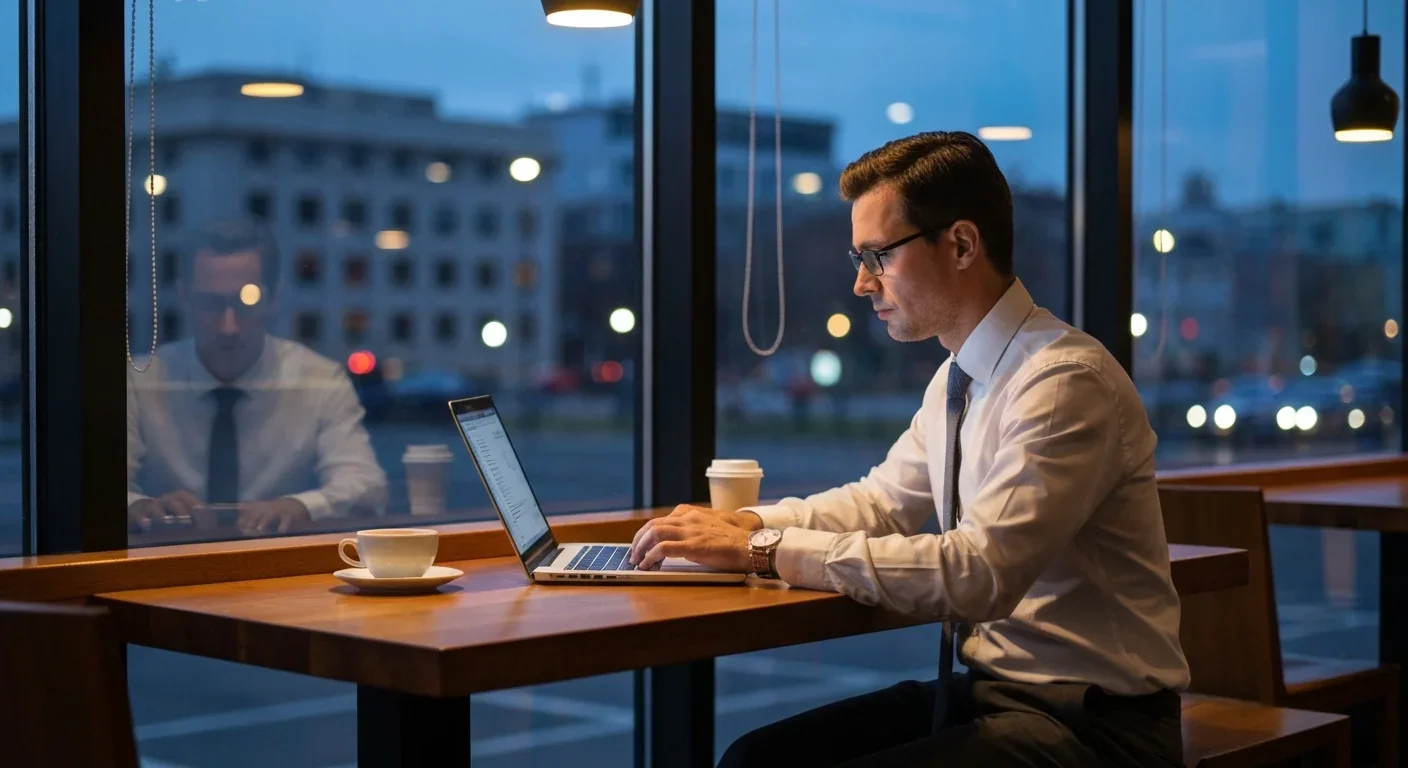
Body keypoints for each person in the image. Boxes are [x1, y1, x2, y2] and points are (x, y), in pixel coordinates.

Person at [628, 132, 1189, 767]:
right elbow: (881, 502)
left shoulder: (1062, 382)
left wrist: (763, 551)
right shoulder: (959, 377)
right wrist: (746, 525)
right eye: (858, 257)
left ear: (961, 244)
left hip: (1098, 727)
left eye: (878, 256)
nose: (862, 284)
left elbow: (980, 575)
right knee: (755, 759)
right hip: (995, 694)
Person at [127, 219, 387, 535]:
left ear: (274, 298)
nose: (229, 325)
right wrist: (136, 506)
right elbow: (95, 486)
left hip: (271, 559)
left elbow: (365, 484)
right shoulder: (141, 380)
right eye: (210, 303)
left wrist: (300, 506)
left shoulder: (318, 380)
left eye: (247, 300)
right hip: (166, 557)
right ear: (184, 298)